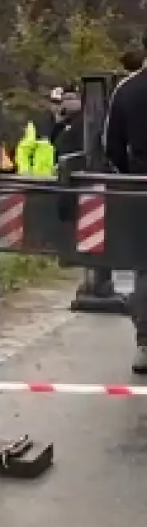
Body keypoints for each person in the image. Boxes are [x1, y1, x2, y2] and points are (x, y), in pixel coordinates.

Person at [103, 63, 147, 373]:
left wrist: (130, 175)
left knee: (145, 267)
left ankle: (146, 343)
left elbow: (111, 146)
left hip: (142, 190)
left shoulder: (128, 90)